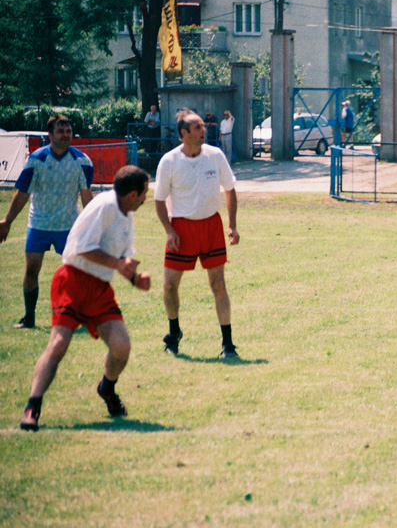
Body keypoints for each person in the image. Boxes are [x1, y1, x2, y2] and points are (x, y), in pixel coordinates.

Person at [19, 166, 152, 432]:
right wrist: (117, 263)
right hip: (72, 280)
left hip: (99, 288)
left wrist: (134, 277)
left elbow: (122, 260)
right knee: (58, 344)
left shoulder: (126, 215)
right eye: (144, 194)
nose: (145, 200)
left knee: (121, 346)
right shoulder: (104, 206)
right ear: (133, 194)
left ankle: (107, 388)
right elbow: (82, 248)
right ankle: (32, 407)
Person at [155, 108, 240, 358]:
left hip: (211, 226)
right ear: (184, 133)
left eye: (204, 126)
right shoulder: (169, 161)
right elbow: (158, 200)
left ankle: (228, 344)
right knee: (170, 286)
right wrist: (169, 230)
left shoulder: (215, 155)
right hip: (182, 228)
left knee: (218, 284)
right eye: (198, 127)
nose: (204, 130)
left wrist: (232, 225)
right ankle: (174, 333)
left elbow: (230, 189)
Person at [0, 115, 94, 329]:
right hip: (39, 223)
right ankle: (29, 317)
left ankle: (75, 314)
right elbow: (23, 194)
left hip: (68, 225)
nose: (65, 135)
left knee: (75, 271)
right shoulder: (37, 159)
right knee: (32, 268)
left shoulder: (82, 161)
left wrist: (95, 225)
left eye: (68, 131)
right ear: (50, 135)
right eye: (61, 131)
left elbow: (86, 196)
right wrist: (7, 220)